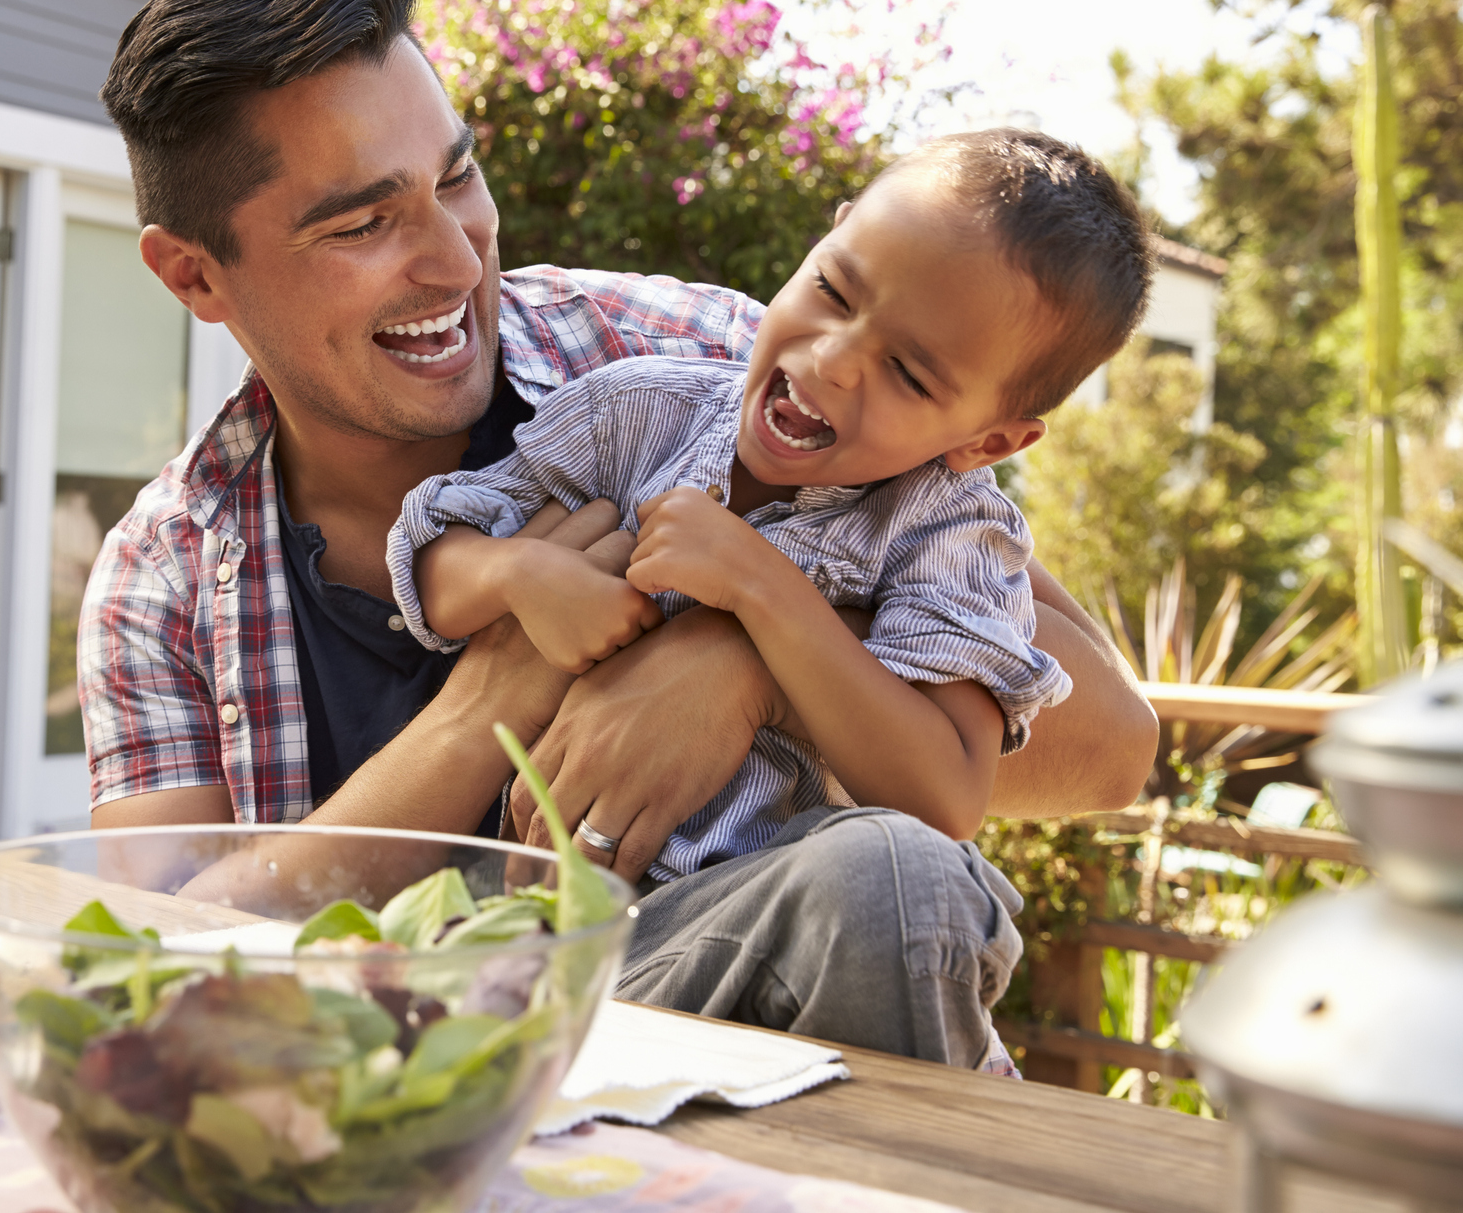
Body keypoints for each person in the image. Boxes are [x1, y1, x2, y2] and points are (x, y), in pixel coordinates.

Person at [81, 0, 1156, 1070]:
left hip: (724, 1045)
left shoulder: (705, 364)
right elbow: (164, 970)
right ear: (194, 274)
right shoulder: (164, 577)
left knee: (889, 880)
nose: (456, 260)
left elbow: (1109, 744)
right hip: (388, 1109)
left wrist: (749, 662)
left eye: (457, 177)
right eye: (362, 223)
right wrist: (484, 708)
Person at [391, 130, 1149, 883]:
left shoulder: (950, 535)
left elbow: (945, 797)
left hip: (754, 914)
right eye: (833, 292)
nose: (832, 360)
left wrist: (761, 592)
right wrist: (516, 573)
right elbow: (433, 554)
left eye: (909, 374)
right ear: (830, 234)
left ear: (988, 442)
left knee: (931, 890)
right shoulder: (635, 410)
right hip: (534, 896)